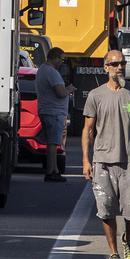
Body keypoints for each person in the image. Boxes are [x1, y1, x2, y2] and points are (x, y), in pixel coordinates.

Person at [81, 49, 130, 259]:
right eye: (115, 64)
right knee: (106, 210)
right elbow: (87, 130)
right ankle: (113, 254)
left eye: (122, 63)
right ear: (106, 68)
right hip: (102, 162)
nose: (120, 67)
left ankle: (128, 238)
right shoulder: (96, 95)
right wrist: (85, 160)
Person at [35, 47, 74, 182]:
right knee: (53, 143)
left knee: (51, 143)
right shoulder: (51, 72)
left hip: (47, 110)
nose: (62, 63)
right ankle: (51, 171)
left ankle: (54, 169)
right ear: (55, 58)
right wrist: (69, 89)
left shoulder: (42, 70)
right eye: (61, 59)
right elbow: (61, 92)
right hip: (54, 112)